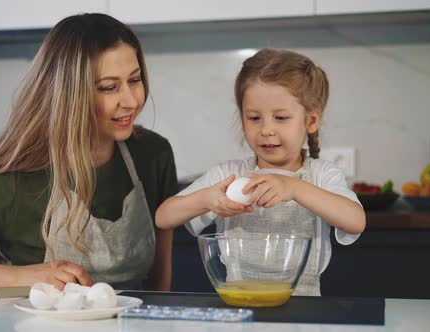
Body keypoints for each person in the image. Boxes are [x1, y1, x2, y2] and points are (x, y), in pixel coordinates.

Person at [0, 13, 177, 291]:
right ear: (70, 93)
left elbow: (160, 283)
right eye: (109, 87)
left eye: (135, 80)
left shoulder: (153, 155)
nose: (130, 100)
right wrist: (23, 277)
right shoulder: (14, 178)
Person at [155, 48, 365, 296]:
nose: (266, 130)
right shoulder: (230, 174)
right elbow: (163, 217)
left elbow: (355, 221)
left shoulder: (321, 175)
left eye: (280, 117)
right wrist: (206, 199)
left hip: (305, 309)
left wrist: (295, 188)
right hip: (239, 303)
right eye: (254, 118)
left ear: (310, 121)